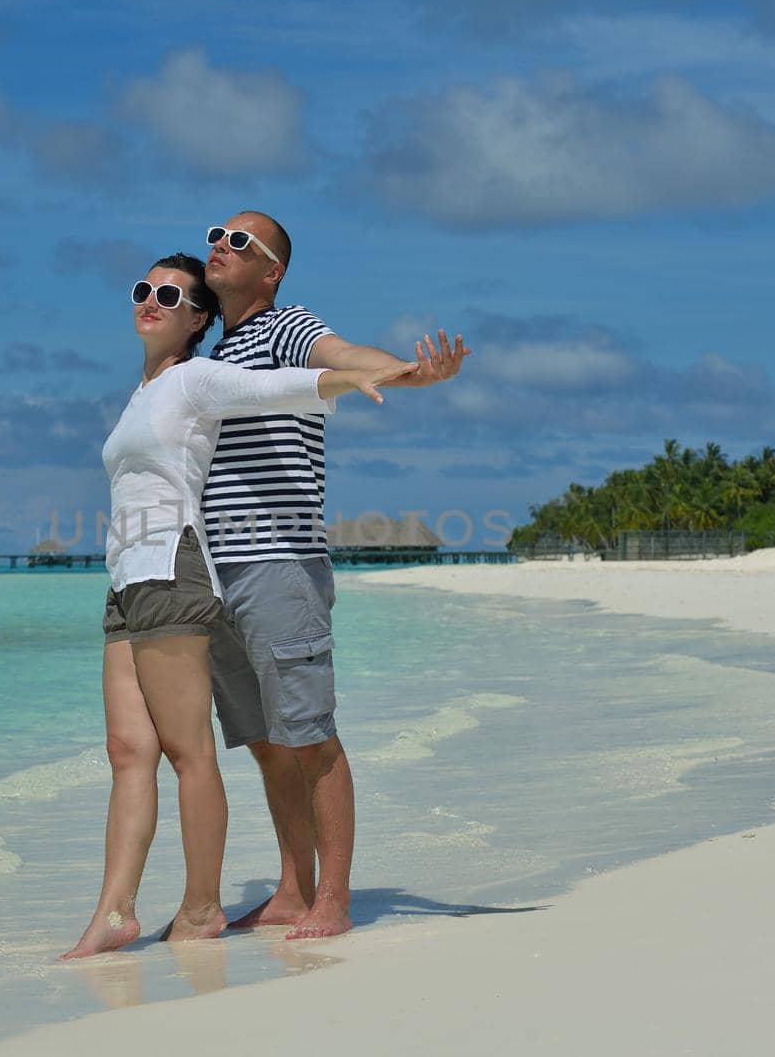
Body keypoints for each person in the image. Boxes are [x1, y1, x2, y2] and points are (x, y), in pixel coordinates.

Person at [60, 254, 414, 961]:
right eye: (143, 290)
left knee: (191, 752)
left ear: (197, 318)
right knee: (128, 751)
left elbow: (282, 386)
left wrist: (371, 373)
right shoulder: (141, 393)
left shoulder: (197, 377)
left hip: (172, 569)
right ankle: (113, 913)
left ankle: (200, 908)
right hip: (125, 577)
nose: (150, 302)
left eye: (168, 295)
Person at [200, 212, 469, 940]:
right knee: (264, 741)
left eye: (239, 242)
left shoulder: (286, 327)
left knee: (311, 737)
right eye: (215, 236)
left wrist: (409, 375)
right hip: (216, 573)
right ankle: (293, 888)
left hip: (279, 564)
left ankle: (335, 900)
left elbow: (345, 355)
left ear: (271, 271)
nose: (219, 246)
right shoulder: (211, 352)